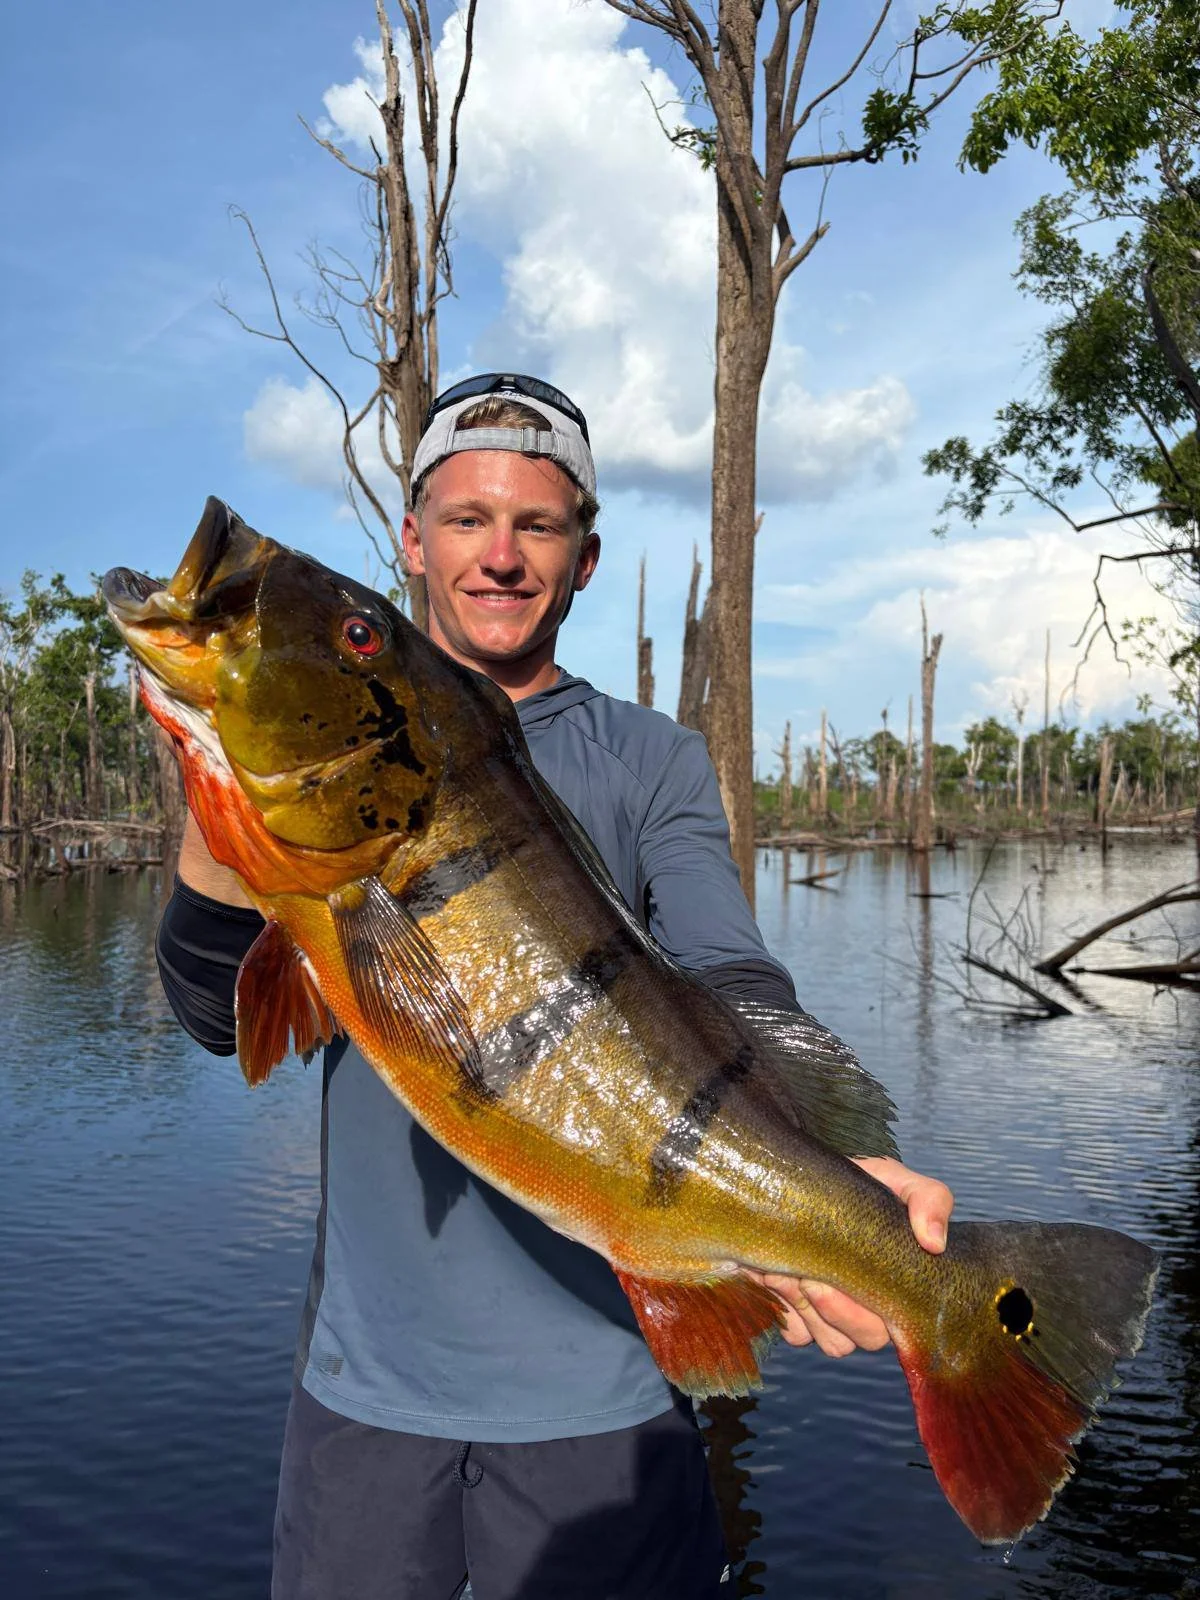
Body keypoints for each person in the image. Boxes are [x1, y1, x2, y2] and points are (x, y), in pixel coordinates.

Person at [155, 373, 954, 1600]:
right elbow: (216, 1014)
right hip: (366, 1404)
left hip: (610, 1409)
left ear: (584, 558)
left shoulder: (650, 758)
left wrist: (830, 1178)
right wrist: (223, 795)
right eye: (468, 519)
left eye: (539, 524)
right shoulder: (330, 791)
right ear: (414, 541)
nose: (502, 556)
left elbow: (731, 963)